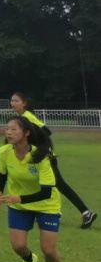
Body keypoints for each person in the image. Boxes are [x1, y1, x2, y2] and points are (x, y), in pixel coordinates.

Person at [0, 116, 70, 262]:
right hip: (19, 205)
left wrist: (19, 198)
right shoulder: (4, 151)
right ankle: (29, 260)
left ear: (26, 133)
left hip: (46, 205)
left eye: (13, 129)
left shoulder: (40, 156)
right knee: (18, 246)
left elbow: (46, 192)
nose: (8, 133)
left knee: (48, 250)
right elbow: (2, 173)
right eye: (7, 129)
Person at [9, 92, 96, 229]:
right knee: (55, 184)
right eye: (12, 101)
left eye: (16, 101)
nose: (13, 103)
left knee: (57, 184)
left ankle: (84, 212)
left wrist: (39, 146)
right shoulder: (22, 118)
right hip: (40, 156)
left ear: (24, 103)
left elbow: (46, 131)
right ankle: (83, 212)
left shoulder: (27, 117)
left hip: (44, 157)